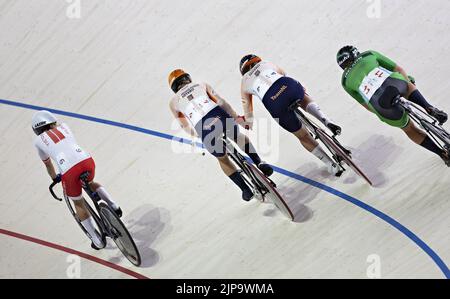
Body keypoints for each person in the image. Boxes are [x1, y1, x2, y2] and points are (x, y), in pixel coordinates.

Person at [168, 69, 273, 201]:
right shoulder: (201, 84)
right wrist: (237, 119)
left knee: (222, 158)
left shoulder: (173, 103)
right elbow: (221, 103)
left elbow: (184, 126)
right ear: (188, 79)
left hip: (202, 126)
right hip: (217, 114)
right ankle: (259, 162)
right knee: (237, 136)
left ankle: (245, 190)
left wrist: (198, 135)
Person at [337, 45, 449, 166]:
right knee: (406, 84)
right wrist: (408, 81)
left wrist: (382, 113)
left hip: (381, 106)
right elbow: (398, 69)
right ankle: (429, 108)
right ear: (356, 53)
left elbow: (366, 105)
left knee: (409, 129)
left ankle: (442, 154)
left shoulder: (345, 82)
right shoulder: (368, 55)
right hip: (395, 85)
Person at [239, 54, 343, 176]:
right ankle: (326, 121)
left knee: (303, 136)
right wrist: (299, 88)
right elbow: (283, 73)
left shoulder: (244, 81)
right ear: (257, 60)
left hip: (274, 102)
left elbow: (247, 108)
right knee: (303, 97)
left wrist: (248, 123)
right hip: (288, 85)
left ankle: (331, 164)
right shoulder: (265, 63)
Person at [32, 110, 122, 249]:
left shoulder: (38, 141)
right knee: (91, 183)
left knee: (78, 203)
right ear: (52, 123)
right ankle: (114, 206)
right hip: (86, 161)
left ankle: (97, 240)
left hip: (69, 170)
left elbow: (48, 164)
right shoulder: (64, 126)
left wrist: (55, 177)